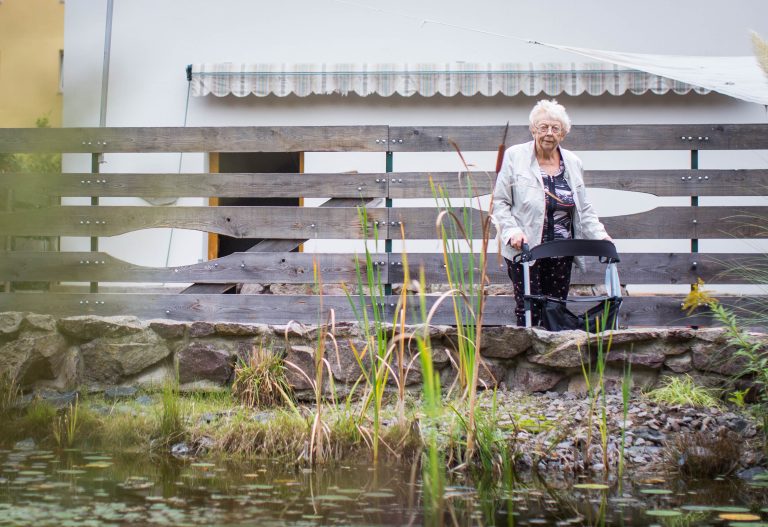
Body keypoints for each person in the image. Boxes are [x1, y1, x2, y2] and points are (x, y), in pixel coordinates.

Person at [492, 99, 611, 327]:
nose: (548, 133)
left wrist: (601, 237)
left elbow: (583, 208)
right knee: (529, 309)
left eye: (555, 128)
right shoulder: (515, 156)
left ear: (563, 134)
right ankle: (528, 357)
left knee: (556, 309)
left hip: (561, 250)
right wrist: (512, 232)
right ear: (533, 129)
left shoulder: (574, 163)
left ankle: (552, 358)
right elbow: (500, 201)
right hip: (525, 248)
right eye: (543, 127)